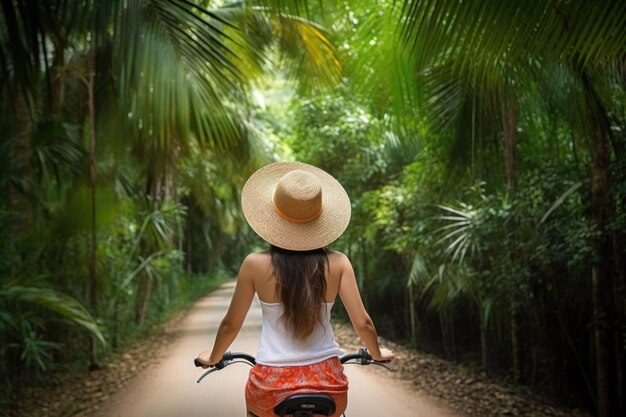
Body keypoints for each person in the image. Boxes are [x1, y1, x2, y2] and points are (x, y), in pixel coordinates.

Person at [196, 161, 394, 417]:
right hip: (329, 386)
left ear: (273, 216)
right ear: (321, 219)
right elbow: (363, 323)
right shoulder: (339, 263)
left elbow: (230, 325)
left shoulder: (254, 264)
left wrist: (214, 357)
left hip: (269, 386)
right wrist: (376, 353)